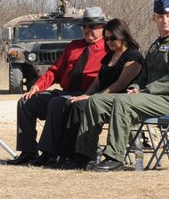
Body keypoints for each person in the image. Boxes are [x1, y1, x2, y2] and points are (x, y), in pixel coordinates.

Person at [74, 0, 169, 172]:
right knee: (96, 101)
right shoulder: (156, 46)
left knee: (123, 102)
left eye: (168, 16)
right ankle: (85, 155)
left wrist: (145, 90)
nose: (164, 21)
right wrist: (137, 86)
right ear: (154, 18)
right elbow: (144, 75)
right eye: (160, 17)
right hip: (147, 96)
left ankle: (114, 157)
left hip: (168, 100)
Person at [6, 7, 108, 166]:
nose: (88, 30)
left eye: (93, 26)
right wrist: (38, 86)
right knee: (26, 102)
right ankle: (28, 152)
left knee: (57, 103)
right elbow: (55, 71)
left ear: (103, 27)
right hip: (66, 93)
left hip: (85, 96)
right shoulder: (74, 46)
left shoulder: (109, 49)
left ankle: (49, 154)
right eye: (85, 26)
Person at [57, 18, 144, 169]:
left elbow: (120, 84)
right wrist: (86, 94)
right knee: (72, 103)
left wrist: (96, 96)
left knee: (83, 106)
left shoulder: (133, 56)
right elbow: (97, 82)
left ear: (122, 36)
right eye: (106, 38)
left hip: (119, 101)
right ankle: (67, 154)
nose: (109, 42)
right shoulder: (109, 56)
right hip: (100, 98)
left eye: (112, 38)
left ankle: (85, 155)